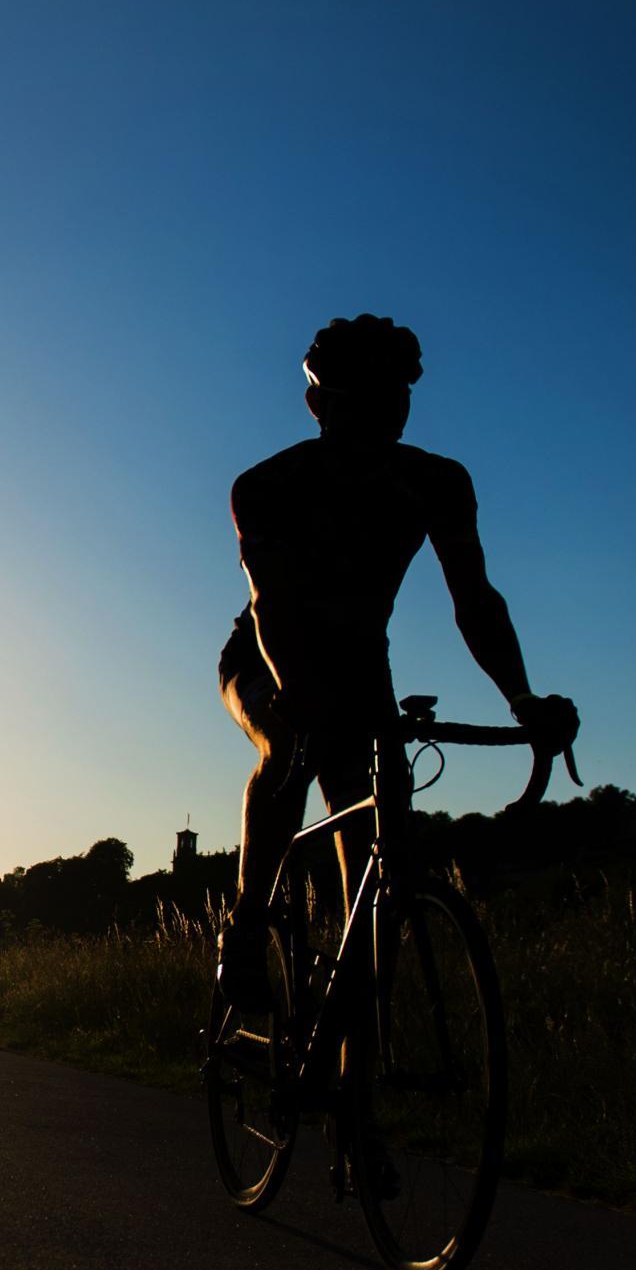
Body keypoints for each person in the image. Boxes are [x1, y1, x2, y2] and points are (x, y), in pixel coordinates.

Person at [215, 315, 576, 1014]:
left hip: (360, 664)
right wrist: (299, 693)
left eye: (397, 397)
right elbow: (272, 606)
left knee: (380, 879)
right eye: (362, 397)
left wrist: (523, 699)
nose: (385, 415)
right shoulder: (267, 485)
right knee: (290, 742)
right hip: (267, 655)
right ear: (320, 404)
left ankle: (358, 1059)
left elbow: (474, 599)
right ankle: (247, 926)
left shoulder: (437, 483)